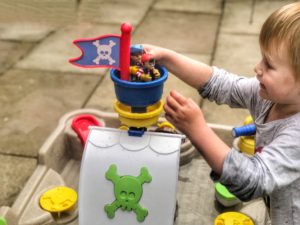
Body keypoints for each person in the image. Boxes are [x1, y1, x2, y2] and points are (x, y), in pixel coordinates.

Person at [142, 2, 300, 225]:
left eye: (270, 65)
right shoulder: (270, 97)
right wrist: (167, 58)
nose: (257, 67)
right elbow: (222, 84)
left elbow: (251, 181)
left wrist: (197, 130)